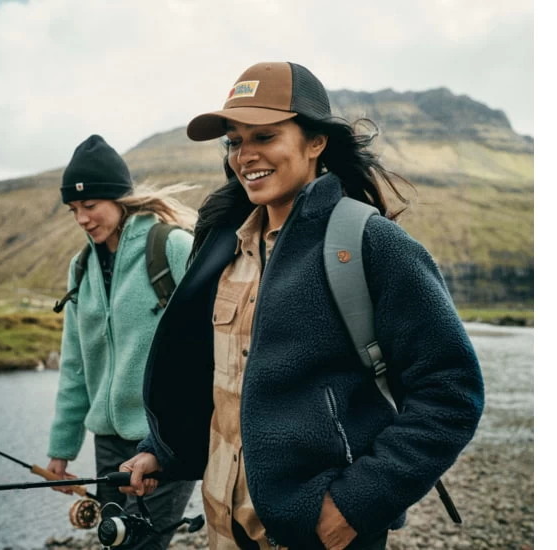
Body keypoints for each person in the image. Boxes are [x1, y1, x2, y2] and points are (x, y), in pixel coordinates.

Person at [121, 62, 485, 549]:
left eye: (264, 136)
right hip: (223, 524)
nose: (244, 156)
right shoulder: (220, 243)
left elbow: (451, 392)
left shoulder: (371, 244)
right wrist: (162, 450)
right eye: (234, 141)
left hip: (319, 534)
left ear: (316, 142)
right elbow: (215, 377)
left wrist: (355, 504)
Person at [45, 134, 198, 550]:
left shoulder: (172, 247)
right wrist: (61, 450)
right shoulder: (80, 269)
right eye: (74, 209)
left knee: (141, 545)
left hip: (165, 435)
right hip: (109, 442)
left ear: (118, 199)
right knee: (116, 543)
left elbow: (214, 341)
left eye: (90, 205)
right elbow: (75, 365)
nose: (82, 218)